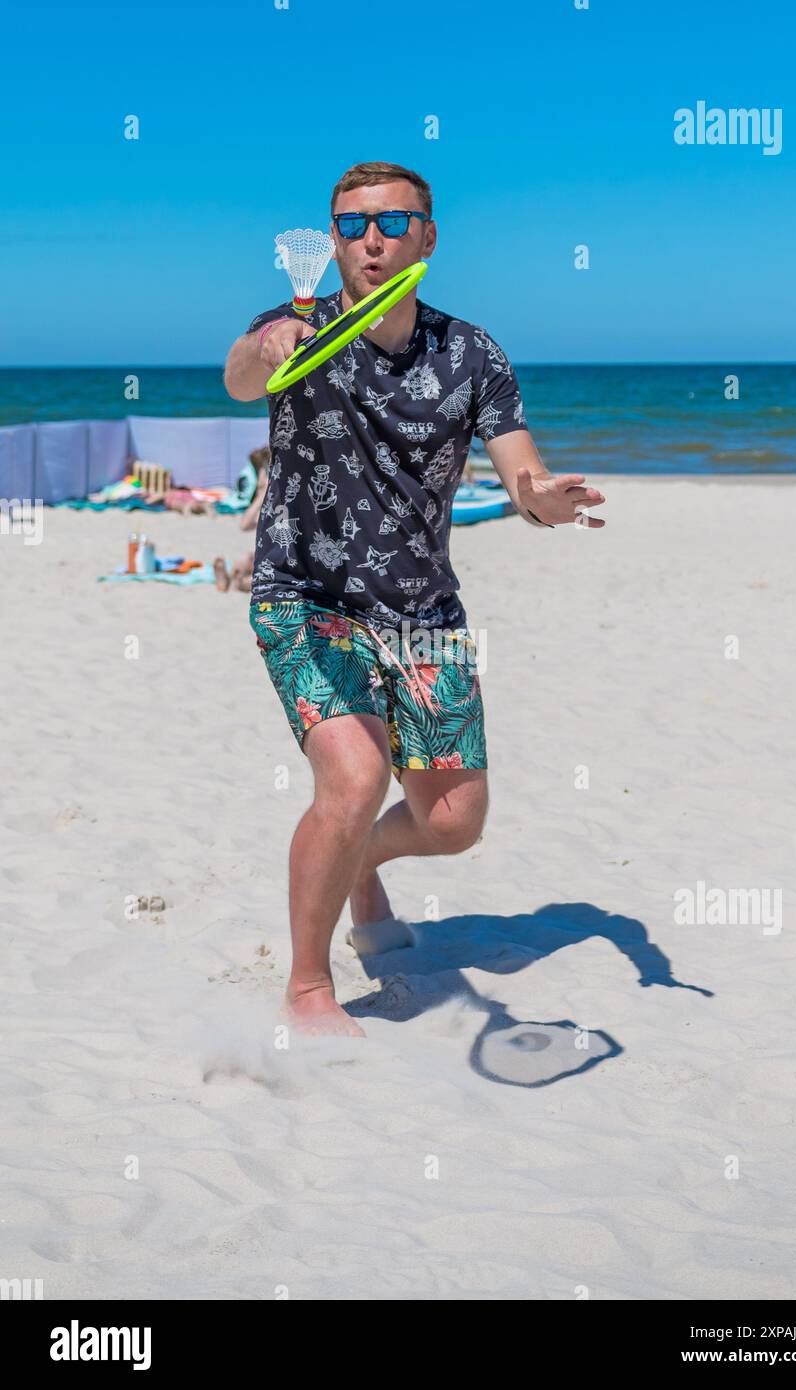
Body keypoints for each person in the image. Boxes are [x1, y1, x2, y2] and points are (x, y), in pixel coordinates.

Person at [224, 161, 605, 1036]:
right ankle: (310, 988)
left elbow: (520, 467)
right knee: (353, 779)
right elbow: (241, 379)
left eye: (393, 222)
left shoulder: (473, 354)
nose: (370, 238)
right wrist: (266, 346)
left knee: (453, 822)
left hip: (423, 613)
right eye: (352, 223)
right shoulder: (294, 325)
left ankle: (357, 863)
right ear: (333, 239)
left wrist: (542, 501)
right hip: (304, 596)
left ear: (427, 238)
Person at [214, 446, 270, 592]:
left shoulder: (278, 505)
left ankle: (236, 581)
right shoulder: (265, 500)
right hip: (260, 558)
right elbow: (245, 524)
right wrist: (261, 495)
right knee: (247, 559)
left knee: (251, 565)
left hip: (271, 563)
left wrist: (263, 493)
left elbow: (245, 525)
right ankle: (228, 578)